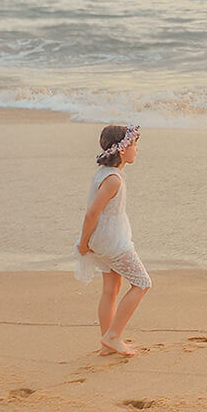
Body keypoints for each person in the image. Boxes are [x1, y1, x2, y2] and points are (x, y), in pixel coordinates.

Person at [75, 124, 150, 356]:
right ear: (121, 150)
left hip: (104, 238)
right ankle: (113, 335)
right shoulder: (113, 180)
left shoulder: (105, 174)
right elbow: (92, 213)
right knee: (142, 283)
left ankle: (107, 343)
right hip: (111, 241)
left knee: (111, 288)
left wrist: (89, 241)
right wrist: (83, 243)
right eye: (134, 144)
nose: (137, 149)